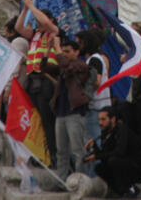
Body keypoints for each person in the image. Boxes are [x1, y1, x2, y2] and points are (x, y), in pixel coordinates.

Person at [15, 0, 62, 163]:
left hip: (47, 80)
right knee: (40, 121)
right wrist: (26, 8)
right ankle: (45, 154)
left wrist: (31, 6)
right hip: (33, 81)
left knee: (49, 121)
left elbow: (48, 24)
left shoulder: (54, 33)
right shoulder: (35, 34)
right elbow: (19, 27)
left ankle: (55, 156)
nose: (37, 22)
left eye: (40, 18)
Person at [85, 106, 141, 198]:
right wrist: (94, 147)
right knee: (100, 168)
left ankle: (129, 190)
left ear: (113, 119)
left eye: (103, 119)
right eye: (99, 120)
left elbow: (119, 152)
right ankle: (123, 192)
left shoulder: (122, 130)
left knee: (114, 161)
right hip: (126, 163)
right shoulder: (106, 132)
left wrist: (97, 156)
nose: (100, 123)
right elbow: (105, 155)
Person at [53, 37, 92, 178]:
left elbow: (65, 65)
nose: (64, 54)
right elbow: (44, 68)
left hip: (75, 113)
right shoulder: (63, 66)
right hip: (60, 113)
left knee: (77, 149)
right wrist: (46, 52)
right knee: (61, 151)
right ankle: (61, 180)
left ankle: (80, 179)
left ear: (77, 52)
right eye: (63, 51)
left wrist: (57, 48)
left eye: (68, 52)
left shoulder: (81, 66)